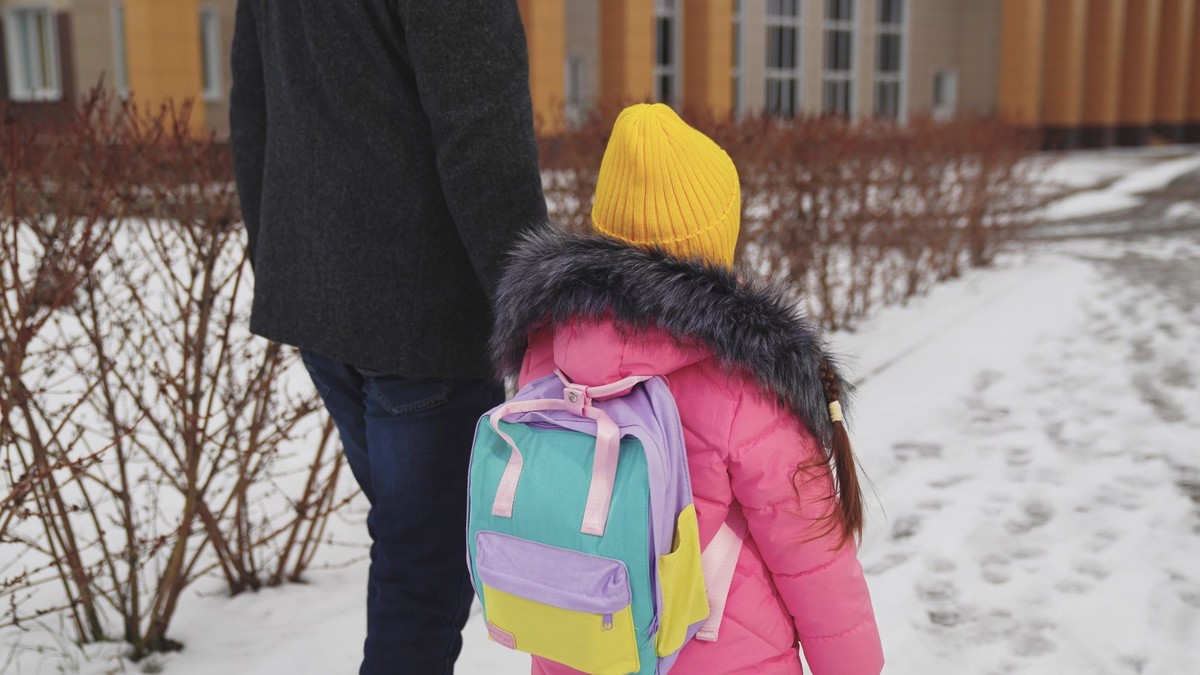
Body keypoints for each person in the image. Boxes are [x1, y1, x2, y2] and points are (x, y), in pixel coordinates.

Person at [489, 104, 884, 674]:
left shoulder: (548, 345)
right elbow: (813, 557)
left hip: (582, 643)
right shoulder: (747, 378)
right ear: (715, 241)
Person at [228, 1, 547, 673]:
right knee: (422, 572)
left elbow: (252, 95)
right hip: (422, 319)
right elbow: (482, 134)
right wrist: (537, 317)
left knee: (412, 545)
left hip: (324, 298)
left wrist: (284, 260)